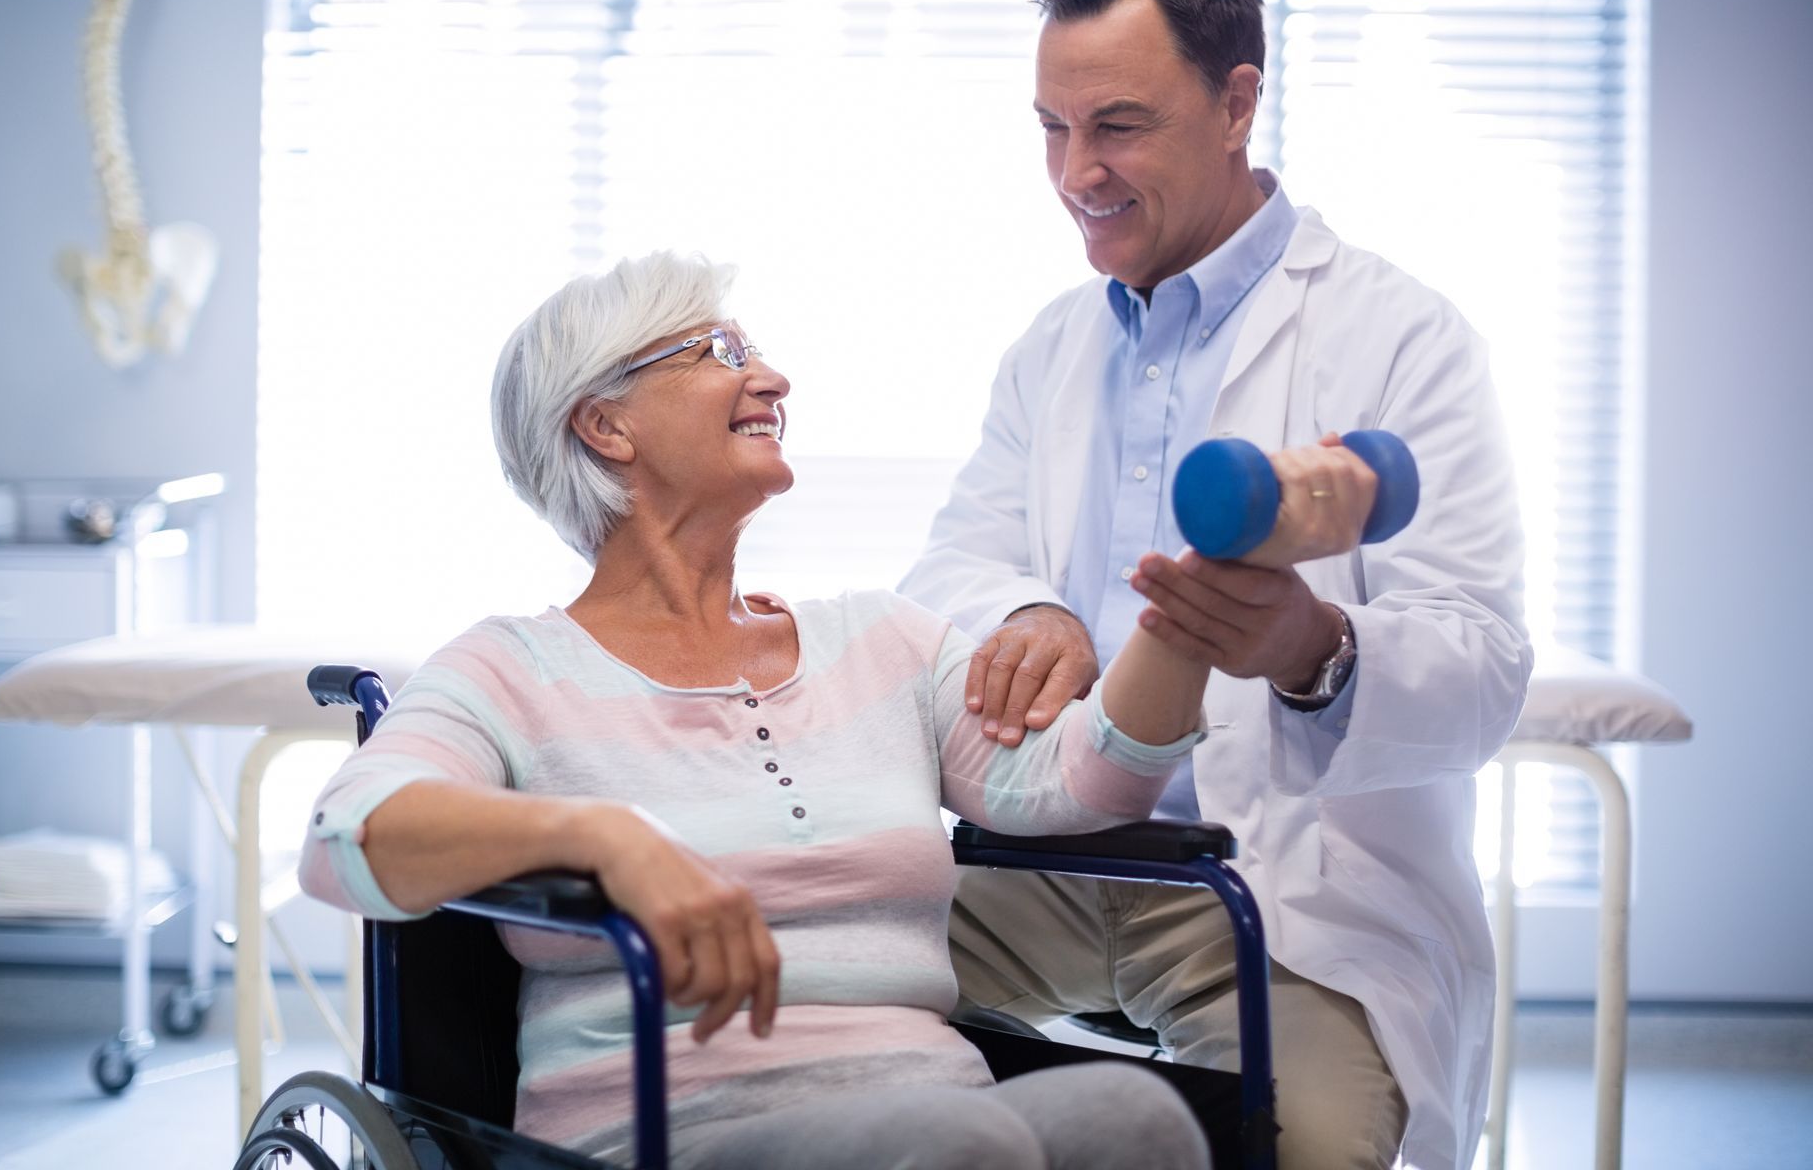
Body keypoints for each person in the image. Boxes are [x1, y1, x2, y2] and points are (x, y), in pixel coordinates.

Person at [299, 252, 1363, 1169]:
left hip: (933, 1104)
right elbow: (342, 837)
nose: (772, 375)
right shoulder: (513, 668)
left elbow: (1082, 780)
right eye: (719, 350)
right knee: (964, 1148)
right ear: (604, 423)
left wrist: (1195, 594)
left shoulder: (879, 641)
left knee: (1133, 1114)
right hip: (676, 1131)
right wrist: (599, 832)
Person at [897, 0, 1533, 1170]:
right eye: (1050, 127)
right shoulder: (1053, 346)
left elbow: (1484, 666)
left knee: (1311, 1148)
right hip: (1045, 864)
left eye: (1118, 125)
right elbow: (949, 569)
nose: (1076, 171)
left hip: (1280, 899)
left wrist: (1318, 647)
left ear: (1238, 102)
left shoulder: (1404, 338)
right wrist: (1031, 611)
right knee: (808, 1050)